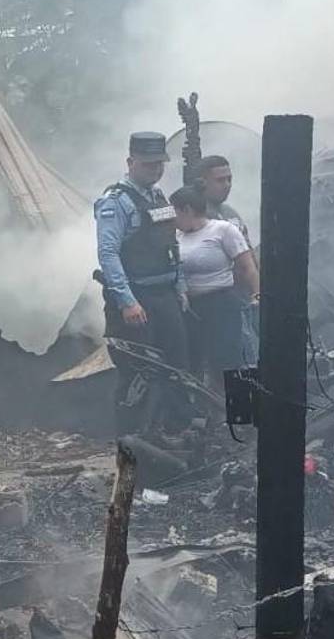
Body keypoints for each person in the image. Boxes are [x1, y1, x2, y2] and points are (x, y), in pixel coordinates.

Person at [95, 131, 192, 436]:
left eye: (159, 163)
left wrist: (180, 287)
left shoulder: (159, 197)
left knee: (176, 367)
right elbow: (108, 254)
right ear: (131, 162)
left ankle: (175, 433)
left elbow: (170, 246)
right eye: (149, 164)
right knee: (139, 374)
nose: (155, 170)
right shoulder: (116, 203)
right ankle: (132, 441)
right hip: (137, 300)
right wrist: (127, 301)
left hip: (165, 296)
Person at [171, 186, 259, 383]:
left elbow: (247, 265)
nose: (172, 218)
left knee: (226, 360)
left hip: (221, 303)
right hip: (191, 308)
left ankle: (235, 406)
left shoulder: (223, 230)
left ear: (186, 210)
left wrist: (256, 295)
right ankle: (209, 409)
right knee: (196, 361)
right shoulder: (177, 237)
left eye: (174, 212)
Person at [196, 155, 249, 242]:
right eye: (220, 180)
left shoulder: (231, 213)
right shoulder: (193, 216)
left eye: (229, 179)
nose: (227, 185)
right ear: (202, 182)